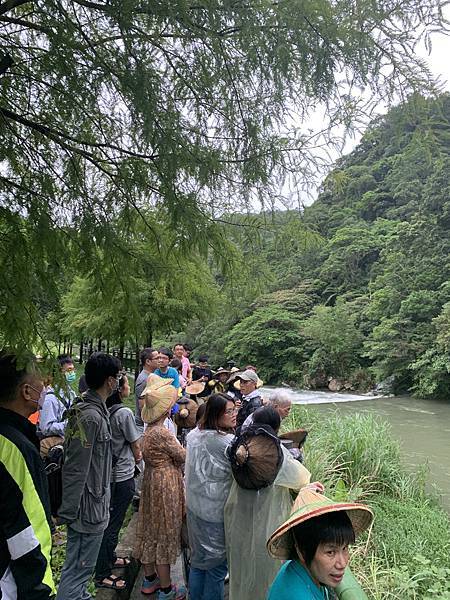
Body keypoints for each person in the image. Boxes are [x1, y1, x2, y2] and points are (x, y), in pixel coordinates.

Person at [225, 405, 311, 600]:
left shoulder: (240, 446)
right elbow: (301, 478)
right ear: (277, 426)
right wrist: (296, 454)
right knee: (266, 573)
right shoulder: (277, 451)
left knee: (242, 567)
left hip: (240, 519)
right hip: (269, 523)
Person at [56, 352, 121, 600]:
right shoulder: (89, 416)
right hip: (86, 511)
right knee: (77, 573)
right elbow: (75, 468)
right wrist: (69, 511)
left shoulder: (94, 410)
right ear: (110, 381)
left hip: (93, 506)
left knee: (81, 573)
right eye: (117, 376)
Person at [0, 351, 56, 599]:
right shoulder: (16, 448)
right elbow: (29, 530)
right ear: (26, 392)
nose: (43, 388)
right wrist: (40, 589)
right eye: (40, 383)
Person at [267, 488, 374, 600]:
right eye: (330, 552)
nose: (342, 564)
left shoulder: (297, 568)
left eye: (345, 548)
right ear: (302, 552)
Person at [134, 374, 187, 600]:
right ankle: (166, 589)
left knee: (149, 528)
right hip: (165, 482)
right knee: (164, 531)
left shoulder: (148, 430)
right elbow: (182, 455)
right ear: (166, 409)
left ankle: (150, 579)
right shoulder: (162, 433)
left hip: (151, 480)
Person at [185, 393, 237, 600]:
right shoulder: (227, 443)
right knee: (216, 568)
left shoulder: (194, 435)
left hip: (195, 509)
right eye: (229, 411)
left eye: (235, 410)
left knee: (198, 562)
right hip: (216, 513)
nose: (234, 415)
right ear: (217, 414)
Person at [94, 373, 142, 590]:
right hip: (122, 475)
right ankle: (103, 572)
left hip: (107, 474)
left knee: (110, 520)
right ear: (118, 388)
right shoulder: (124, 412)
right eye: (126, 384)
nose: (129, 388)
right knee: (113, 524)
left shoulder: (105, 409)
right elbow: (135, 444)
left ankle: (110, 558)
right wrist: (139, 458)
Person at [38, 354, 76, 448]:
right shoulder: (50, 399)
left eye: (73, 370)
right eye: (69, 370)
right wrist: (69, 425)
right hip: (56, 447)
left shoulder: (71, 393)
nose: (72, 373)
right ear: (58, 373)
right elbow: (46, 428)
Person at [135, 347, 159, 427]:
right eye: (157, 358)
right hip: (144, 425)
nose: (160, 360)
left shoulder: (151, 376)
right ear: (148, 361)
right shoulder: (144, 379)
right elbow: (142, 405)